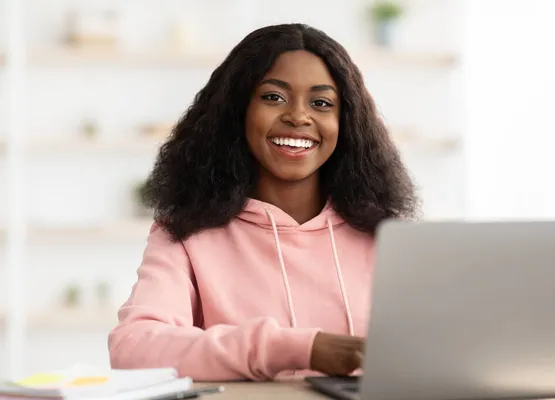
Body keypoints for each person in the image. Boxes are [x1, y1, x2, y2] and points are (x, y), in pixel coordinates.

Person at [108, 23, 418, 382]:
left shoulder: (388, 236)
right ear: (236, 111)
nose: (299, 116)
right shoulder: (185, 233)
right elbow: (133, 348)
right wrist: (299, 348)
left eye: (321, 103)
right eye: (273, 97)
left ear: (344, 122)